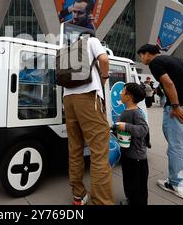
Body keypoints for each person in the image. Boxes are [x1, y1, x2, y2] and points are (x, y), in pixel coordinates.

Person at [137, 44, 183, 199]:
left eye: (141, 56)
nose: (141, 59)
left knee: (177, 148)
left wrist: (175, 106)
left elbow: (168, 83)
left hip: (182, 107)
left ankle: (177, 184)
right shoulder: (177, 60)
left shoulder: (156, 63)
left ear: (147, 54)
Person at [63, 35, 113, 205]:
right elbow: (104, 60)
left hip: (68, 99)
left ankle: (78, 195)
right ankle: (102, 202)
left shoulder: (67, 50)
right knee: (99, 152)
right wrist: (104, 78)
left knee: (75, 149)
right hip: (88, 97)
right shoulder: (92, 41)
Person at [116, 83, 149, 206]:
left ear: (128, 96)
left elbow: (144, 129)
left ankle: (138, 202)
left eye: (122, 91)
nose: (120, 93)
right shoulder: (126, 111)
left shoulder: (136, 112)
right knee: (129, 180)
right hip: (127, 154)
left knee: (138, 184)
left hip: (137, 157)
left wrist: (126, 126)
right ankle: (131, 199)